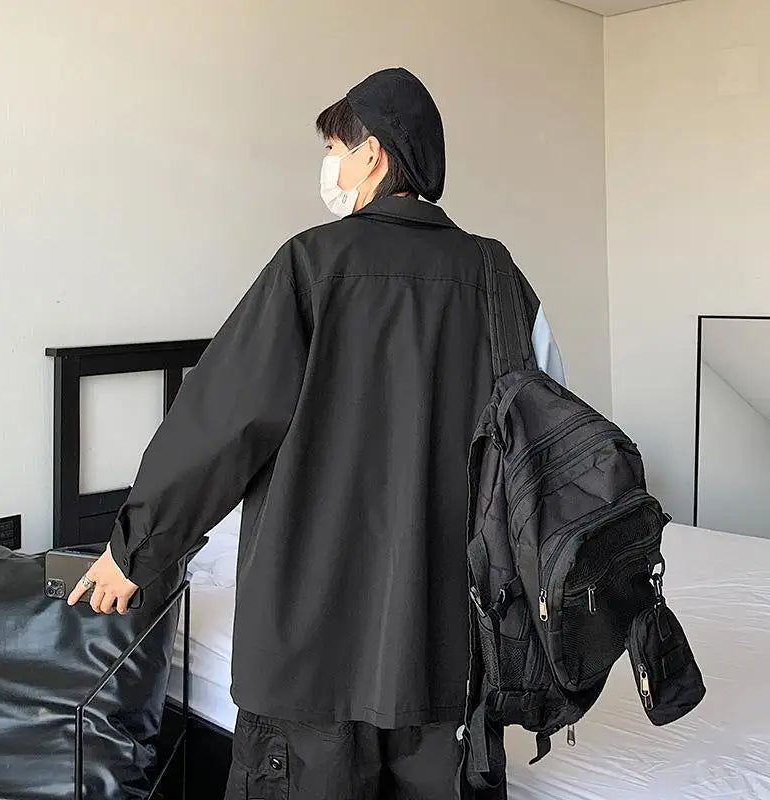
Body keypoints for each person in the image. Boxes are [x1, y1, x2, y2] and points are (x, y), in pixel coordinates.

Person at [68, 67, 564, 799]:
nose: (329, 166)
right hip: (455, 658)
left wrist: (133, 549)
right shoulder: (503, 281)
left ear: (375, 155)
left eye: (334, 148)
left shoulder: (311, 265)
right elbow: (546, 451)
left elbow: (220, 424)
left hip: (310, 655)